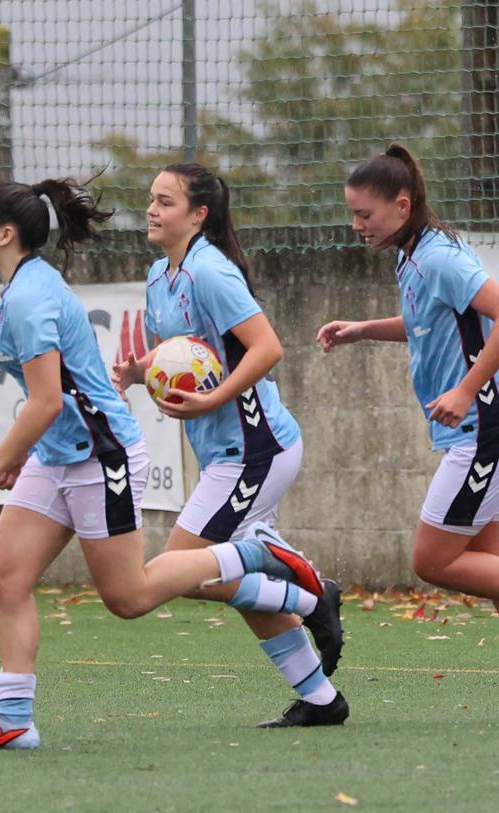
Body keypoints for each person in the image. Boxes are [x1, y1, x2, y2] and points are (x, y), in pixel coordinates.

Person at [0, 178, 327, 750]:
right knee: (6, 578)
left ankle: (258, 555)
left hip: (102, 456)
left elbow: (47, 400)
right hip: (61, 454)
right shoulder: (26, 287)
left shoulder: (28, 297)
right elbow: (58, 397)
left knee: (130, 598)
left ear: (4, 233)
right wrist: (31, 450)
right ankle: (15, 719)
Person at [315, 143, 499, 721]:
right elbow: (428, 325)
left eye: (364, 214)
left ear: (401, 204)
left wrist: (467, 388)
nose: (356, 226)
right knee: (492, 565)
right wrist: (364, 329)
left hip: (490, 426)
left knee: (434, 560)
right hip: (490, 428)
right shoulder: (411, 254)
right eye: (352, 213)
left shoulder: (441, 256)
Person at [112, 163, 347, 728]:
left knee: (178, 571)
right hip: (230, 454)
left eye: (165, 202)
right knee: (221, 580)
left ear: (198, 215)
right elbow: (184, 356)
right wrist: (139, 373)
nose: (151, 209)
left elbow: (266, 348)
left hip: (255, 451)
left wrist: (216, 400)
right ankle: (320, 700)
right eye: (151, 199)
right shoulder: (158, 275)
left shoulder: (211, 273)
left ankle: (312, 595)